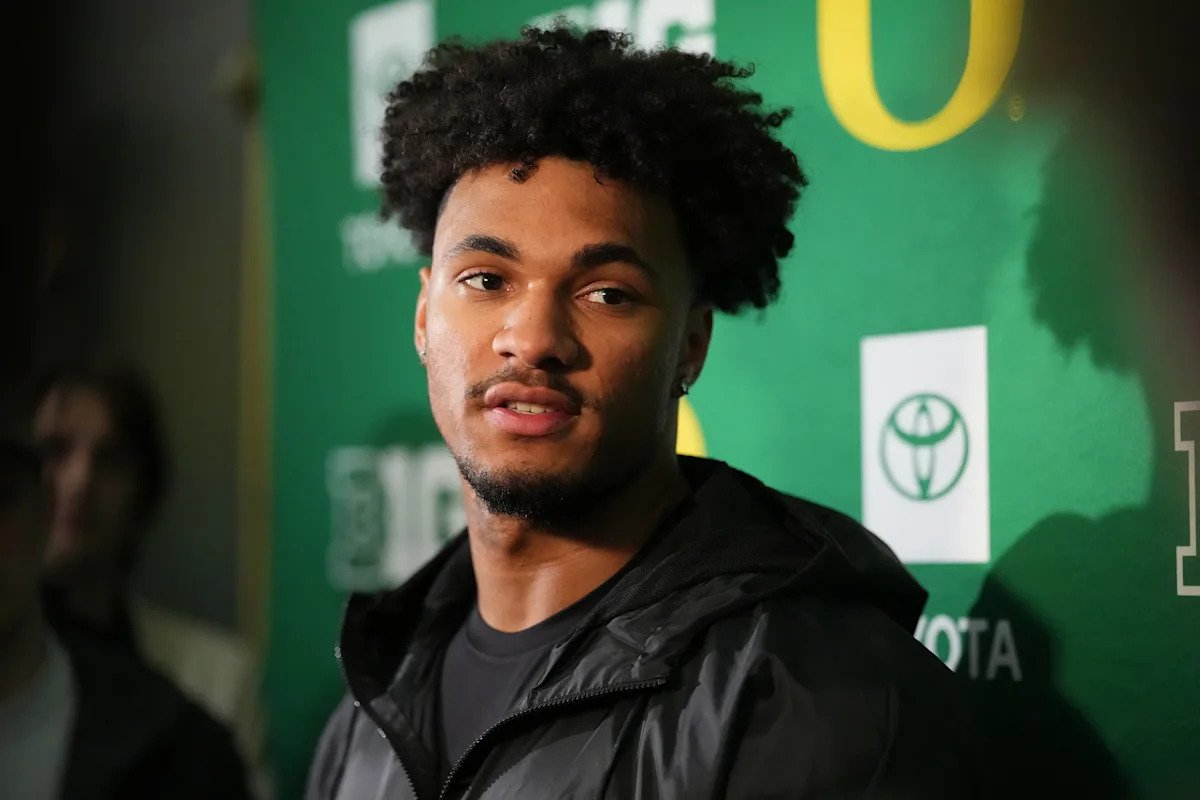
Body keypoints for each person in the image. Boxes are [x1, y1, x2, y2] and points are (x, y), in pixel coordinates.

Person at [308, 26, 979, 799]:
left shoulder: (819, 694)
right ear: (425, 315)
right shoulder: (375, 692)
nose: (533, 338)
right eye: (486, 280)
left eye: (607, 294)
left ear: (690, 346)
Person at [0, 390, 250, 799]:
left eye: (1, 497)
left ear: (41, 503)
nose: (80, 481)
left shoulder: (180, 744)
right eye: (58, 450)